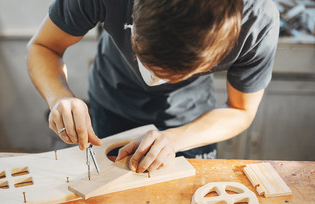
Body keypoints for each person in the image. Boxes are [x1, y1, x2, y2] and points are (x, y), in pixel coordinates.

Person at [27, 0, 279, 173]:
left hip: (192, 121)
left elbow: (241, 110)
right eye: (142, 59)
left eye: (171, 75)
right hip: (111, 102)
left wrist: (176, 139)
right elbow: (43, 47)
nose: (151, 80)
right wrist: (59, 96)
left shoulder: (256, 23)